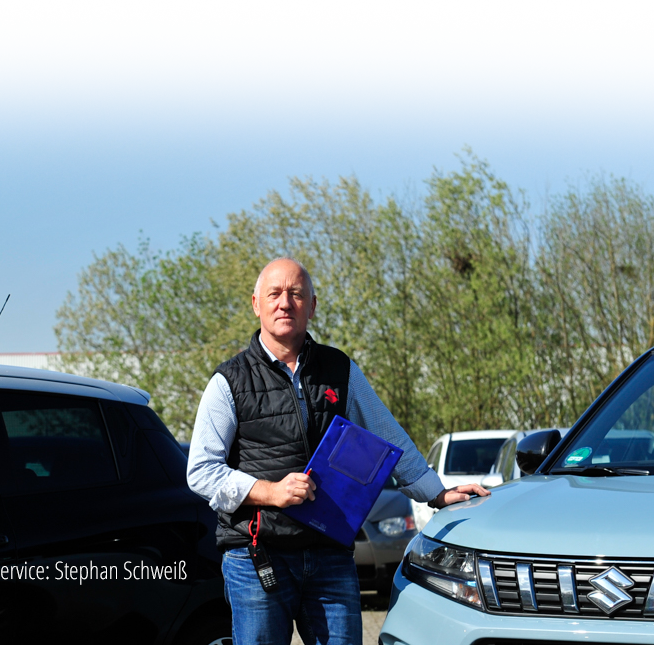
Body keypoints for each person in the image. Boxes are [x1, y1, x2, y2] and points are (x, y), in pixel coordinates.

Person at [186, 257, 489, 645]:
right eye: (274, 294)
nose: (285, 303)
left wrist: (437, 492)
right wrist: (271, 492)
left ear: (312, 306)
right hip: (258, 558)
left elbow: (390, 438)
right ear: (256, 304)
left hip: (330, 554)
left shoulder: (340, 370)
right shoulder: (229, 380)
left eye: (296, 294)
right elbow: (202, 471)